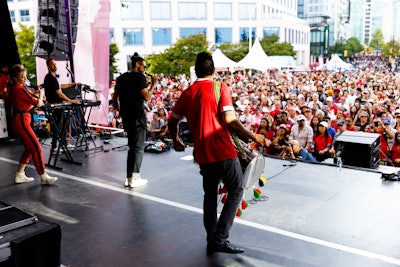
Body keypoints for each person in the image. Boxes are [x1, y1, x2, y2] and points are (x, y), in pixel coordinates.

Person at [168, 52, 266, 256]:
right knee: (237, 189)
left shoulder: (187, 93)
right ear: (213, 70)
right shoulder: (219, 87)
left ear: (195, 71)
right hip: (222, 150)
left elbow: (172, 120)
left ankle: (211, 238)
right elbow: (230, 120)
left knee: (210, 196)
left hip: (202, 154)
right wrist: (253, 136)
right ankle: (220, 238)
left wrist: (175, 139)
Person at [112, 52, 158, 188]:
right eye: (144, 66)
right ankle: (135, 177)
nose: (145, 69)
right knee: (139, 148)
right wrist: (153, 84)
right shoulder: (139, 77)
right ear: (138, 64)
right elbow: (147, 97)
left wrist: (120, 111)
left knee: (132, 147)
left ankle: (128, 177)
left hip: (127, 117)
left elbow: (115, 99)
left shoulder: (121, 78)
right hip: (137, 117)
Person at [8, 64, 57, 184]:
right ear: (15, 78)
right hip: (21, 121)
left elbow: (32, 101)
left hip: (24, 119)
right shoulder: (19, 89)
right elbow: (38, 104)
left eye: (25, 77)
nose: (25, 79)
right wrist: (40, 96)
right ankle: (43, 175)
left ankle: (20, 174)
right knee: (36, 147)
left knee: (30, 149)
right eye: (22, 77)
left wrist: (37, 97)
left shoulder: (21, 87)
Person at [43, 58, 80, 153]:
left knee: (61, 125)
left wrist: (73, 84)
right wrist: (71, 101)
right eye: (53, 64)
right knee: (58, 126)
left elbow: (60, 86)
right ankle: (56, 146)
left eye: (55, 64)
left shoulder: (53, 77)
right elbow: (59, 93)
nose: (55, 66)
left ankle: (62, 145)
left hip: (57, 105)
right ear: (48, 66)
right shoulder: (50, 77)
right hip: (55, 105)